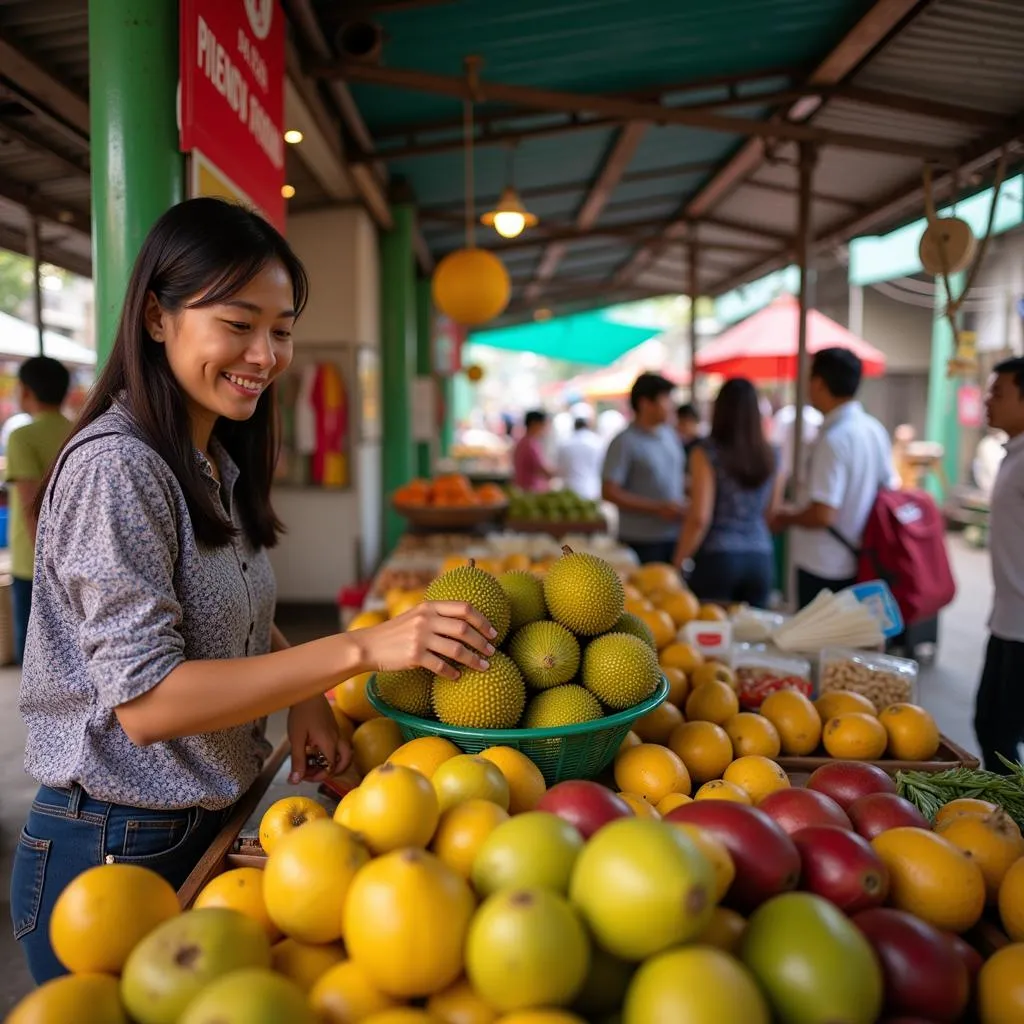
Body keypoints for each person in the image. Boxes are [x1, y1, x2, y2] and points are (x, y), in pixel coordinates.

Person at [11, 198, 496, 984]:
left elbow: (224, 618)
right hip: (110, 845)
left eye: (281, 329)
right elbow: (149, 703)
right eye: (238, 325)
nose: (265, 354)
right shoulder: (118, 469)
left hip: (200, 822)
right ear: (158, 318)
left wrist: (305, 691)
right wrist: (359, 649)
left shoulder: (206, 459)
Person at [771, 348, 894, 609]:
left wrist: (786, 516)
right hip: (860, 557)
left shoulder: (834, 439)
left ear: (818, 383)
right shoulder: (874, 429)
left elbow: (822, 514)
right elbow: (890, 489)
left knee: (817, 643)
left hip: (823, 564)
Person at [673, 378, 782, 608]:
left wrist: (677, 561)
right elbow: (771, 512)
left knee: (713, 635)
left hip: (718, 558)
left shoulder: (706, 452)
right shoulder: (773, 454)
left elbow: (700, 517)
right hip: (760, 557)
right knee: (753, 638)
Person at [974, 356, 1024, 773]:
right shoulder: (1013, 452)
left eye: (999, 392)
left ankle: (1011, 822)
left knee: (1002, 732)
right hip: (1007, 618)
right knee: (989, 725)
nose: (988, 400)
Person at [4, 357, 72, 664]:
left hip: (33, 564)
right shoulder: (77, 429)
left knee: (34, 659)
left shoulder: (22, 436)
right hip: (72, 557)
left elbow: (31, 504)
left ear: (27, 391)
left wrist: (46, 565)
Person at [602, 373, 685, 564]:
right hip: (639, 540)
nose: (671, 406)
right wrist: (657, 508)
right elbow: (609, 492)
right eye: (666, 400)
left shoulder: (670, 436)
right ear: (645, 403)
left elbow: (676, 478)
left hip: (674, 536)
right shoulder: (624, 442)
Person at [556, 414, 604, 500]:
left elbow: (559, 468)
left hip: (568, 490)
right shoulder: (597, 442)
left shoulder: (564, 443)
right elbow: (602, 467)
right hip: (591, 490)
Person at [512, 409, 554, 492]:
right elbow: (541, 469)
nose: (544, 428)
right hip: (531, 489)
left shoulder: (523, 442)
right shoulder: (530, 444)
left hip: (523, 487)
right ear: (534, 424)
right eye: (543, 424)